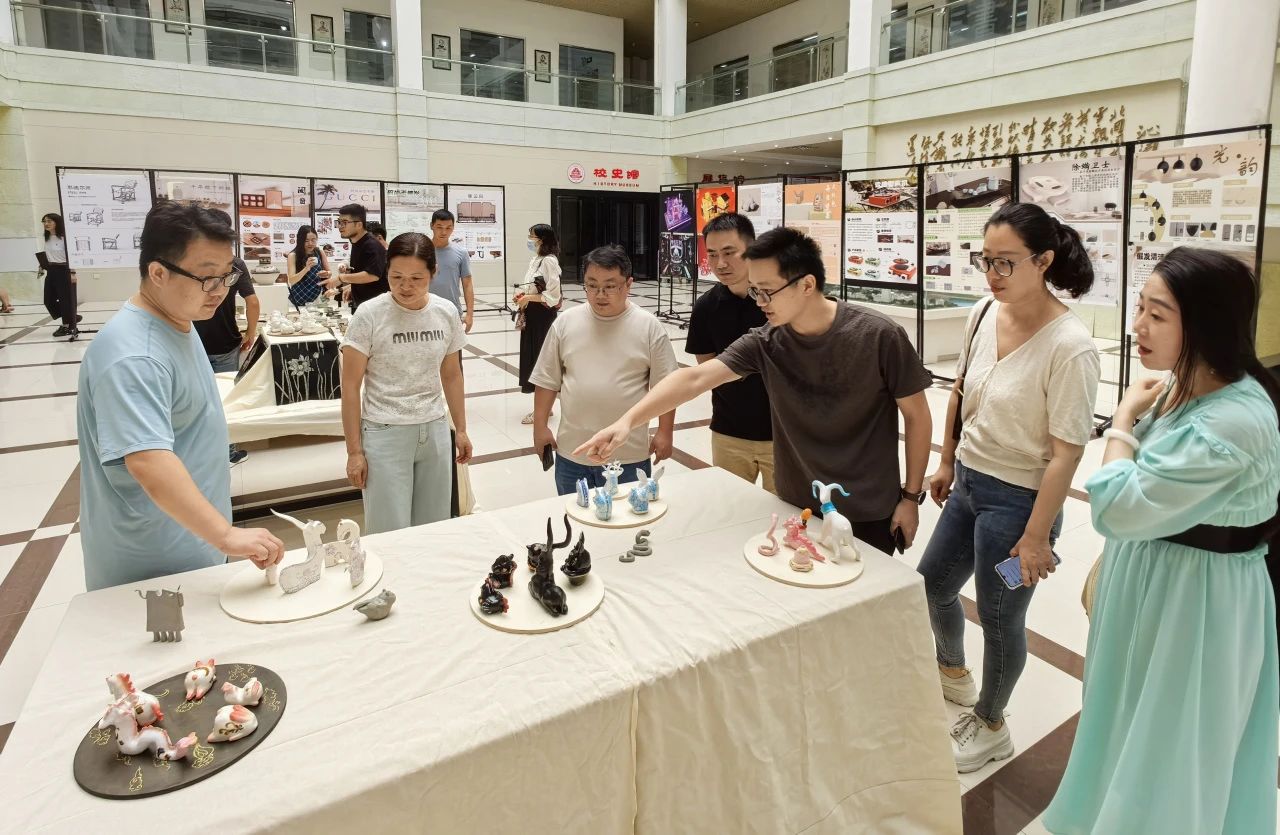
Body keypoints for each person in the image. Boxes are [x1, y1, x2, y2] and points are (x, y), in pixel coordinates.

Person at [1043, 248, 1280, 835]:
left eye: (1158, 314)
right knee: (1131, 721)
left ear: (1205, 324)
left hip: (1195, 603)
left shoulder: (1232, 421)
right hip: (1160, 583)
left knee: (1173, 743)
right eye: (1140, 308)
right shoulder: (1185, 386)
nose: (1138, 326)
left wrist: (1122, 421)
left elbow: (1116, 506)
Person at [575, 227, 933, 555]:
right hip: (797, 505)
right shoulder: (766, 341)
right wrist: (627, 422)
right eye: (755, 291)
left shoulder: (878, 335)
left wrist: (910, 497)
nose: (759, 301)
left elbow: (917, 416)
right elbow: (695, 379)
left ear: (807, 284)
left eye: (767, 291)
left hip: (867, 508)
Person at [916, 202, 1100, 773]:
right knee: (933, 585)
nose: (991, 274)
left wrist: (1036, 537)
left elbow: (1067, 452)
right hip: (969, 484)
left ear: (1043, 261)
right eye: (985, 260)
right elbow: (959, 390)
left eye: (1005, 262)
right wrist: (946, 461)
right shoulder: (981, 312)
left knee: (999, 619)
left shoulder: (1070, 345)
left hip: (1019, 505)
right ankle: (952, 670)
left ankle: (992, 723)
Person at [76, 201, 283, 591]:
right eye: (207, 277)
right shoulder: (135, 355)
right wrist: (225, 534)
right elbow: (147, 460)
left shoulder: (177, 322)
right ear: (158, 273)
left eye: (228, 275)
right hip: (153, 563)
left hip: (189, 540)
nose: (221, 291)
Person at [340, 232, 472, 534]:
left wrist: (461, 429)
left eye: (416, 278)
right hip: (385, 432)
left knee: (434, 528)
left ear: (433, 273)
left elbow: (452, 375)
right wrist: (354, 452)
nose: (405, 286)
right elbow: (350, 386)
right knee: (389, 532)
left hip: (435, 430)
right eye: (396, 277)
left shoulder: (445, 312)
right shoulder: (369, 314)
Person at [531, 244, 677, 495]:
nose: (600, 294)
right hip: (573, 453)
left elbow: (666, 387)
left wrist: (665, 432)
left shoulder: (649, 327)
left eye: (610, 286)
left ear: (628, 284)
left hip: (628, 456)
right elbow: (547, 380)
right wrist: (540, 426)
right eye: (592, 285)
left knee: (627, 516)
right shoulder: (565, 323)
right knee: (574, 515)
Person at [685, 212, 774, 492]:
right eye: (712, 254)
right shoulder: (705, 307)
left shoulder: (777, 300)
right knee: (729, 507)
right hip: (729, 432)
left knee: (788, 514)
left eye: (729, 252)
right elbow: (706, 372)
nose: (720, 264)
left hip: (783, 435)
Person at [193, 215, 258, 466]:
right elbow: (252, 301)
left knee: (196, 398)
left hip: (193, 342)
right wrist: (251, 332)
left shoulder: (193, 261)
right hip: (225, 342)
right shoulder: (235, 263)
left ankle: (200, 449)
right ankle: (228, 451)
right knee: (225, 400)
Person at [516, 223, 562, 425]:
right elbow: (533, 287)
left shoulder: (549, 261)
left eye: (532, 236)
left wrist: (529, 298)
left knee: (540, 362)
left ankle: (541, 411)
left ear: (542, 240)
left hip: (542, 316)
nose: (529, 239)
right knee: (533, 359)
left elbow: (553, 295)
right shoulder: (536, 259)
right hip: (532, 314)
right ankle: (545, 408)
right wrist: (523, 296)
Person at [323, 203, 387, 312]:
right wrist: (349, 288)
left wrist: (341, 278)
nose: (340, 226)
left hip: (376, 309)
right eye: (339, 222)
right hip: (363, 306)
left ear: (359, 225)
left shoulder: (371, 245)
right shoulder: (357, 243)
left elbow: (373, 275)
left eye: (345, 222)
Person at [428, 209, 476, 334]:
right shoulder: (422, 251)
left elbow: (467, 284)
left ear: (453, 228)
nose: (444, 232)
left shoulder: (461, 253)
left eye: (448, 228)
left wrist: (469, 314)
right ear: (431, 226)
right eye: (439, 227)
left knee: (453, 347)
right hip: (425, 311)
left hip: (452, 312)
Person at [39, 212, 81, 338]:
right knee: (48, 300)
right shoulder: (47, 238)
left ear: (57, 222)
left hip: (64, 270)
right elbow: (49, 254)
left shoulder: (65, 238)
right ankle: (72, 317)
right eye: (44, 221)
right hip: (51, 270)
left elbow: (72, 256)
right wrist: (41, 265)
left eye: (49, 221)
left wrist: (72, 273)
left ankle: (67, 326)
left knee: (65, 300)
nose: (46, 224)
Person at [286, 225, 329, 309]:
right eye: (306, 240)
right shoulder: (293, 255)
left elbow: (329, 273)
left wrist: (326, 274)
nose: (310, 243)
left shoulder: (320, 252)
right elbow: (291, 280)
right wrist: (306, 269)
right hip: (296, 301)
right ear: (300, 240)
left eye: (313, 240)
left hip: (316, 299)